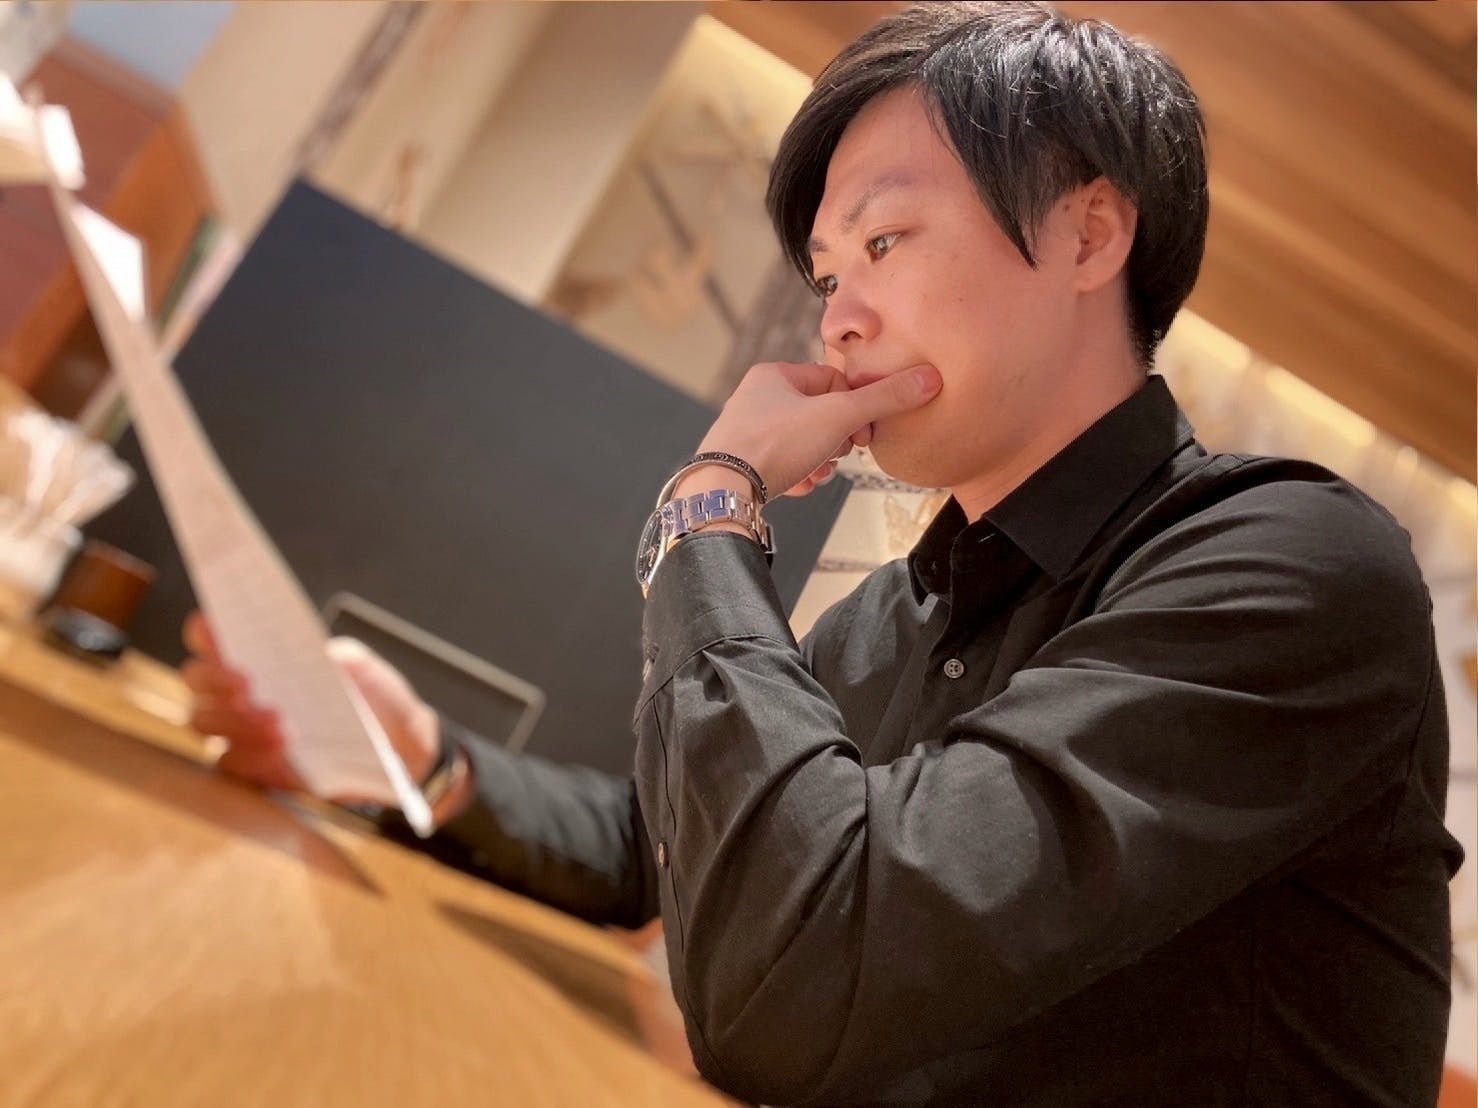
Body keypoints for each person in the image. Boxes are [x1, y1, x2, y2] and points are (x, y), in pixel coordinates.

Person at [182, 4, 1461, 1104]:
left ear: (1086, 236)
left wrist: (708, 505)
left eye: (883, 242)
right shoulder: (908, 603)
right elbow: (657, 847)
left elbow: (803, 967)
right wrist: (422, 759)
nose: (836, 319)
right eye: (826, 273)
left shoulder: (1287, 567)